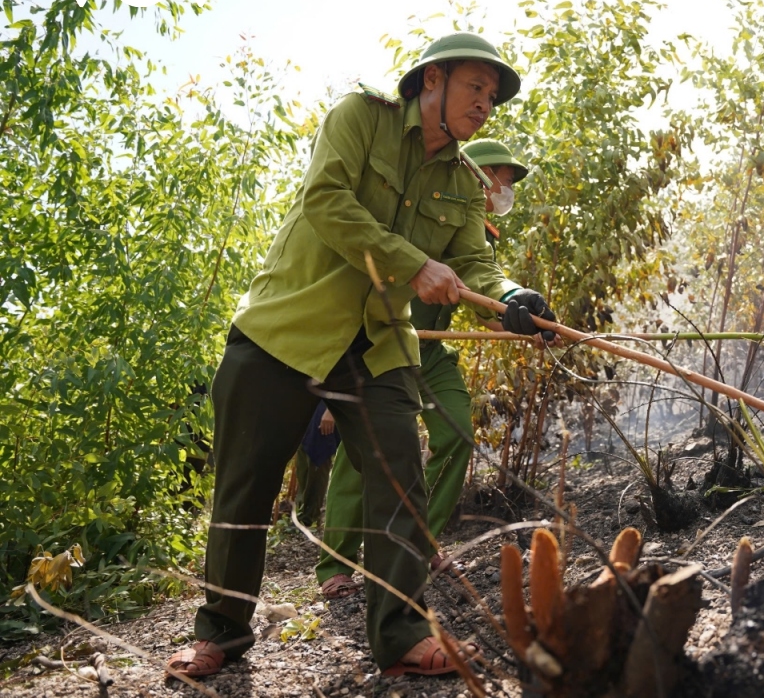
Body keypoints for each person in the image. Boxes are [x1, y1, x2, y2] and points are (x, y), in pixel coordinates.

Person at [167, 33, 557, 681]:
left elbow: (474, 263)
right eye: (475, 88)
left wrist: (514, 298)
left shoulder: (463, 182)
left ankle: (400, 632)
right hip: (285, 329)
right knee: (244, 488)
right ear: (432, 80)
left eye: (493, 97)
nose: (486, 104)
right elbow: (326, 201)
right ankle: (221, 634)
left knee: (401, 480)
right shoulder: (359, 118)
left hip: (378, 348)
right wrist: (411, 264)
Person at [316, 139, 531, 600]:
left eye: (508, 186)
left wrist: (520, 313)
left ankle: (416, 543)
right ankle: (335, 562)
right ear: (476, 172)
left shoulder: (477, 233)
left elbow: (484, 299)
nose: (504, 192)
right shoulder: (412, 209)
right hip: (376, 344)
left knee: (457, 431)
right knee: (363, 453)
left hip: (428, 354)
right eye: (502, 181)